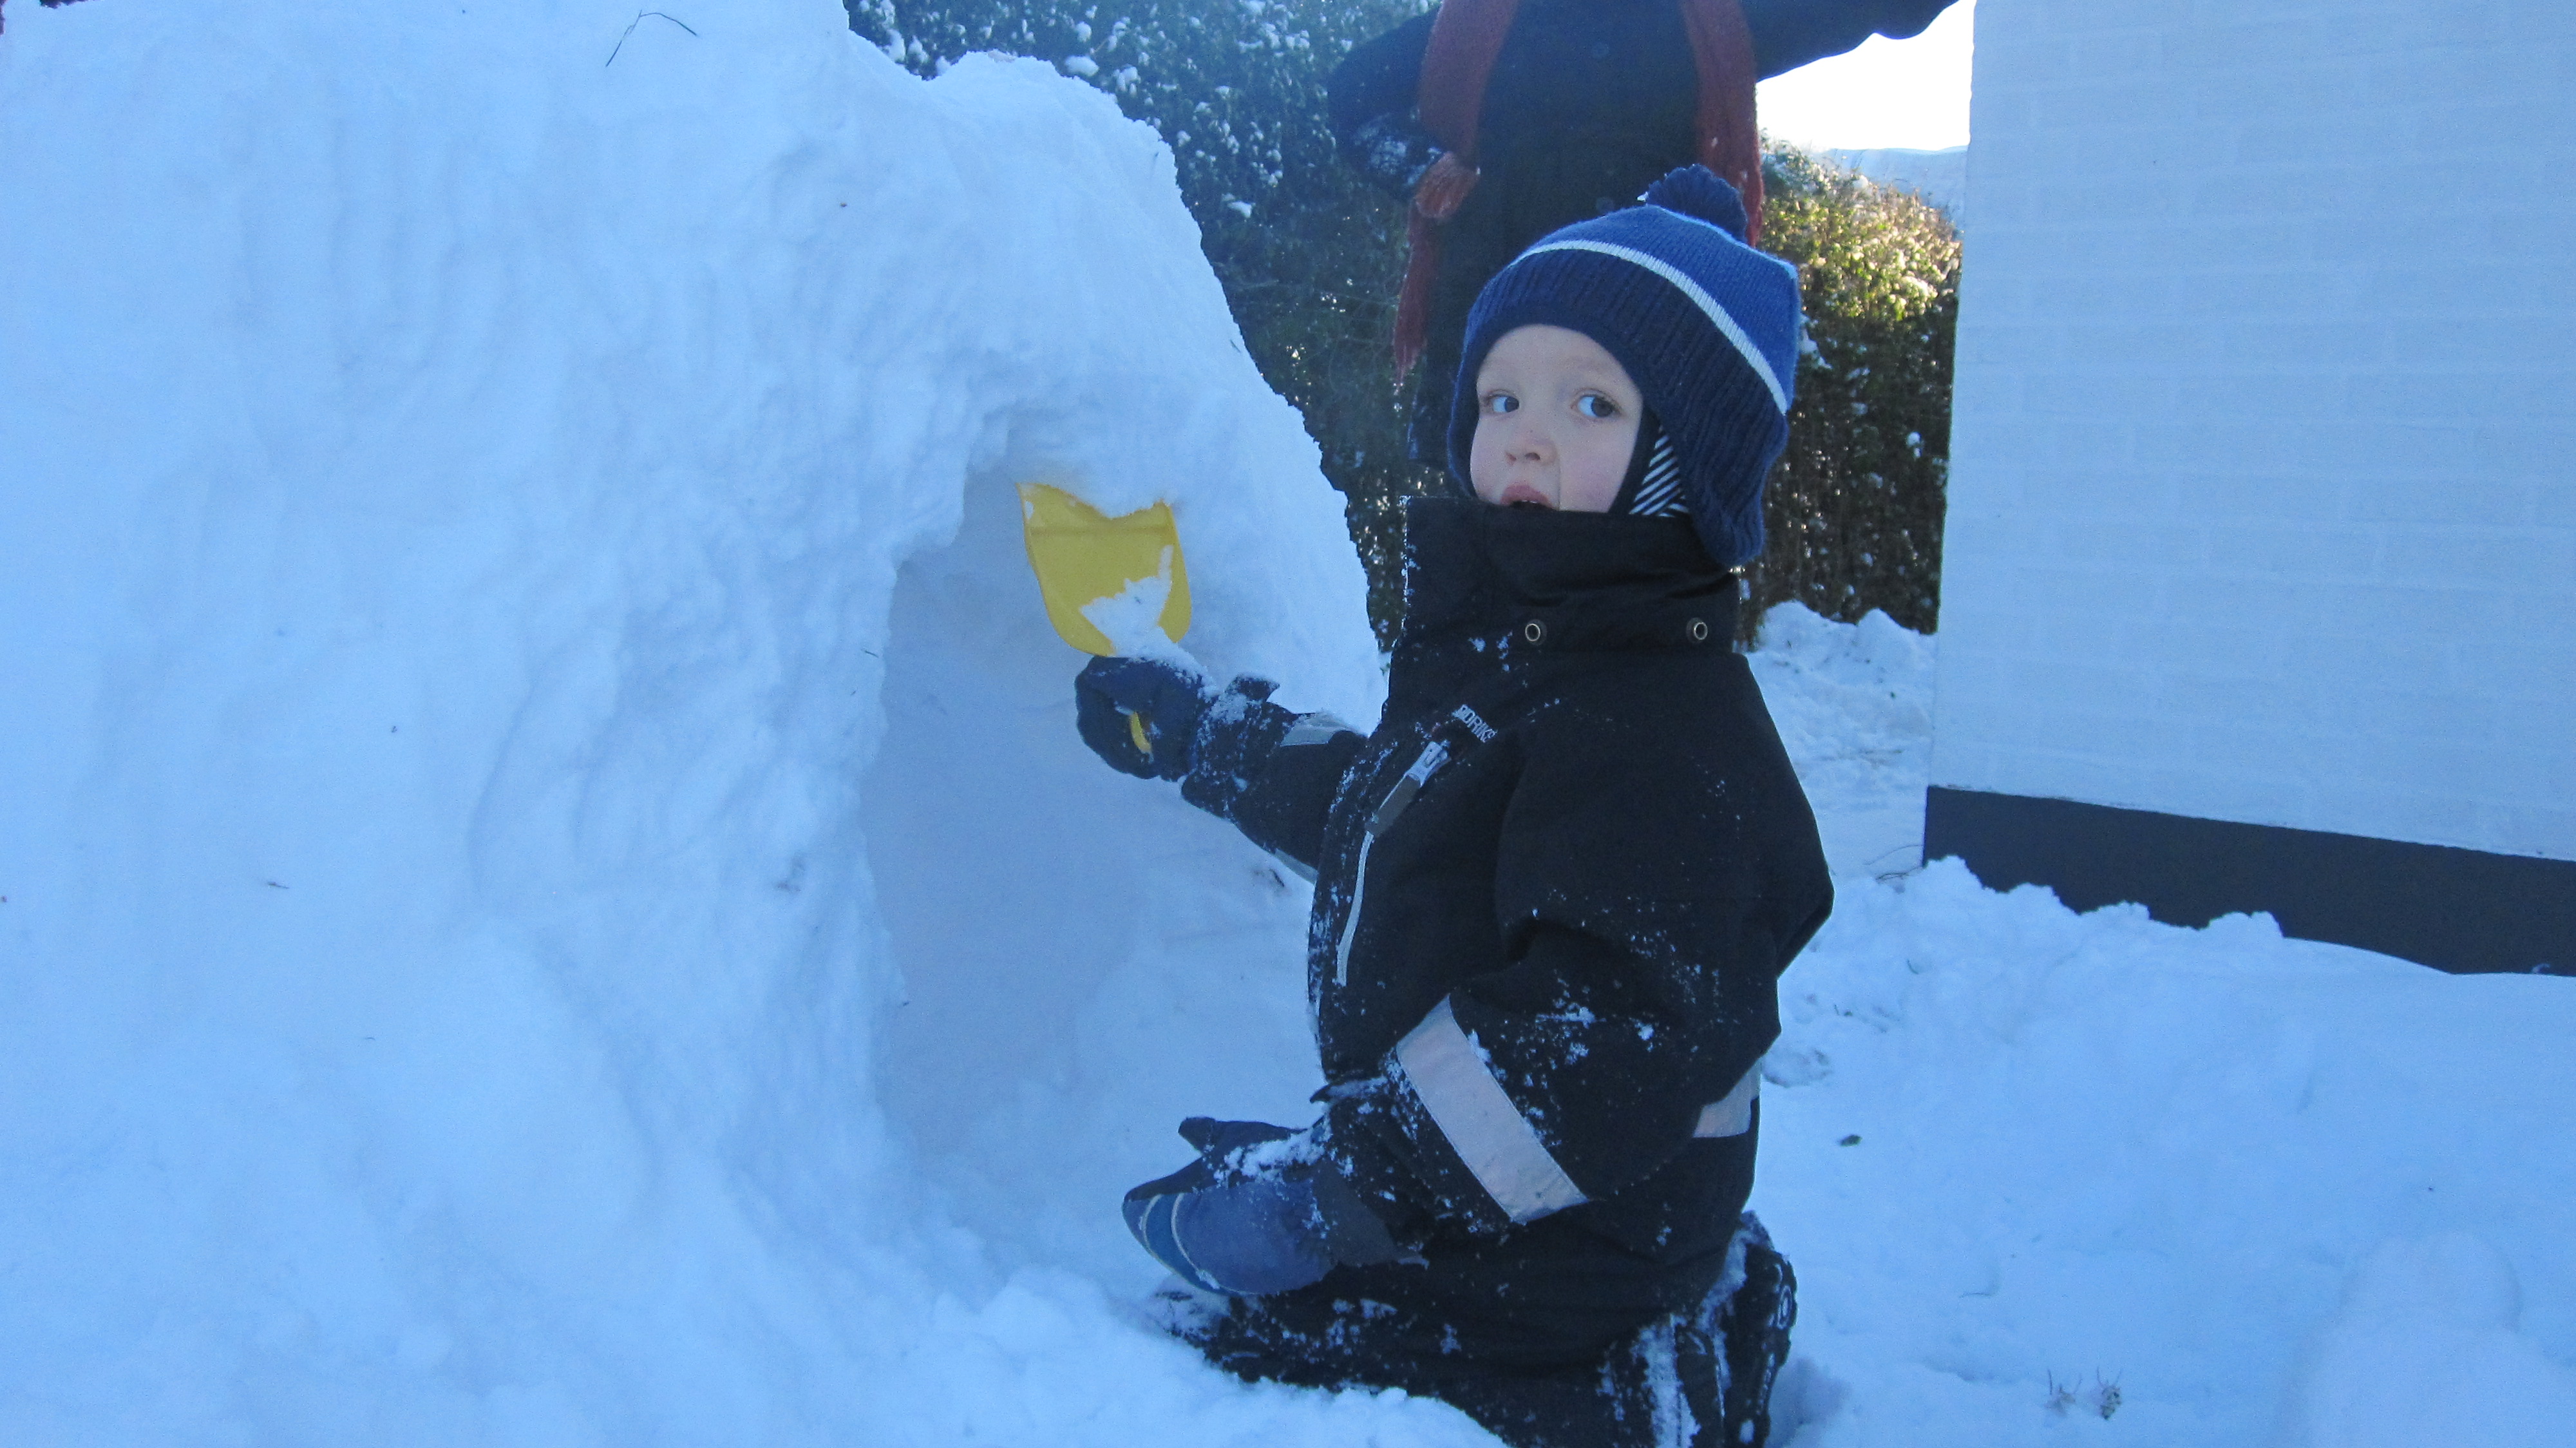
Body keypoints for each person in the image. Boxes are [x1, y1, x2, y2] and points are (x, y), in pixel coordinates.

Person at [1072, 166, 1831, 1447]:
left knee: (1241, 1348)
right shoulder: (1534, 656)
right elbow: (1402, 817)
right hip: (1512, 1181)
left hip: (1566, 1226)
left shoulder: (1653, 726)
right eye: (1500, 397)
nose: (1524, 434)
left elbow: (1595, 1043)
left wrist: (1341, 1187)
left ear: (1687, 460)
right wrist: (1212, 740)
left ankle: (1639, 1388)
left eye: (1591, 402)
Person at [1327, 0, 1957, 464]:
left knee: (1632, 563)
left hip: (1648, 346)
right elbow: (1354, 92)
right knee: (1477, 560)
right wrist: (1432, 176)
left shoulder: (1707, 19)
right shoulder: (1479, 21)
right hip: (1495, 333)